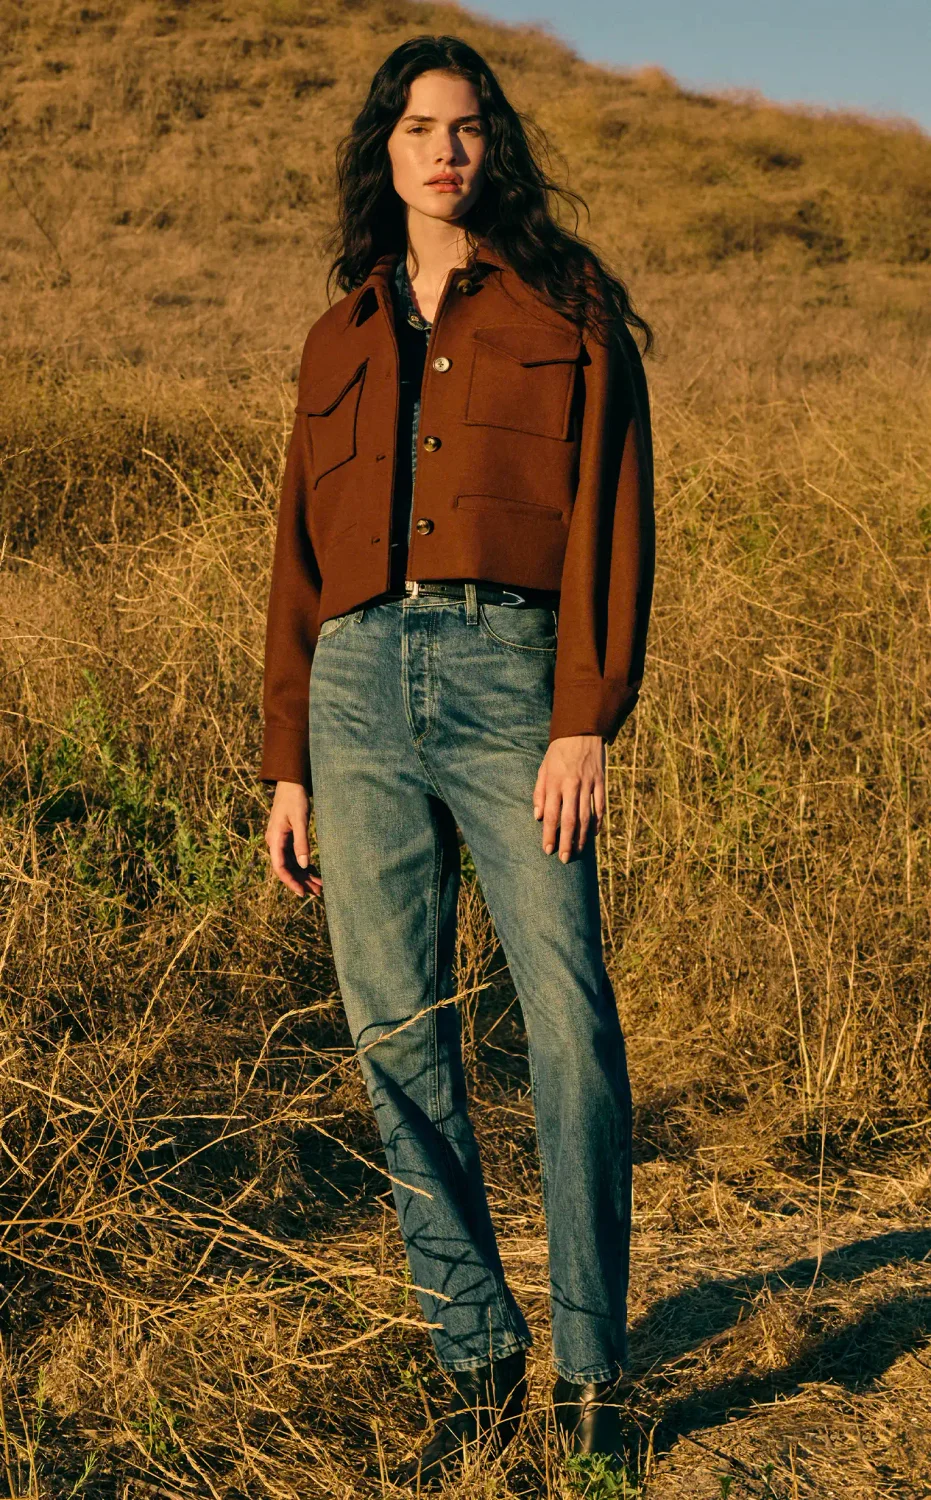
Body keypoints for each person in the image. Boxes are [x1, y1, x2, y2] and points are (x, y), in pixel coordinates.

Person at [260, 33, 654, 1489]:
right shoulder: (335, 335)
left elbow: (613, 510)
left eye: (468, 127)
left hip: (510, 680)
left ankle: (594, 1374)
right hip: (356, 692)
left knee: (569, 1025)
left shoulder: (566, 305)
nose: (444, 150)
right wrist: (286, 760)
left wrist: (580, 715)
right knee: (395, 1036)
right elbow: (295, 560)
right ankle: (479, 1361)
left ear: (497, 148)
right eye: (418, 126)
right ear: (385, 149)